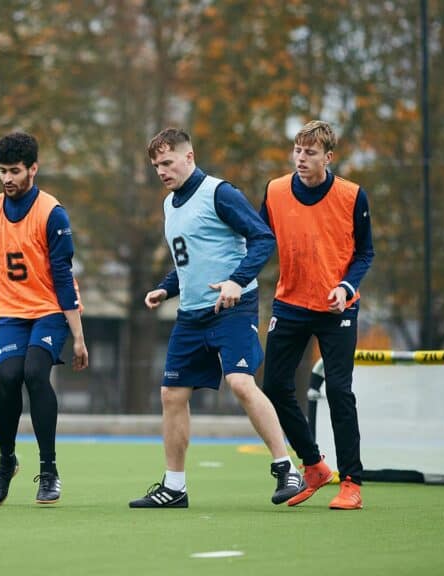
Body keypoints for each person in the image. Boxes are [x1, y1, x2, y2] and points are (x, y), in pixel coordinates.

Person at [129, 128, 305, 509]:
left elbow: (263, 238)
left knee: (240, 382)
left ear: (189, 157)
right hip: (191, 316)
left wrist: (236, 283)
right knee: (171, 395)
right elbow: (189, 261)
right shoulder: (169, 205)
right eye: (156, 165)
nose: (161, 171)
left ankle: (286, 468)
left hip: (233, 309)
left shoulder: (220, 193)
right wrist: (165, 288)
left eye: (168, 162)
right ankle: (174, 487)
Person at [0, 132, 89, 505]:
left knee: (33, 372)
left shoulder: (52, 213)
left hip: (49, 311)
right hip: (12, 313)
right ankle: (6, 461)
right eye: (2, 171)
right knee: (9, 376)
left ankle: (49, 470)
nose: (8, 179)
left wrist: (78, 336)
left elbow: (63, 278)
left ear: (34, 169)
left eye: (15, 171)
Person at [260, 120, 374, 510]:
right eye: (297, 150)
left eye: (310, 153)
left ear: (329, 157)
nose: (301, 159)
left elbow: (365, 253)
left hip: (336, 308)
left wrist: (345, 287)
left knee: (339, 391)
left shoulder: (352, 196)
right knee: (274, 386)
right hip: (290, 304)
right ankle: (314, 465)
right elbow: (260, 240)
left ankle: (352, 483)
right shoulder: (275, 191)